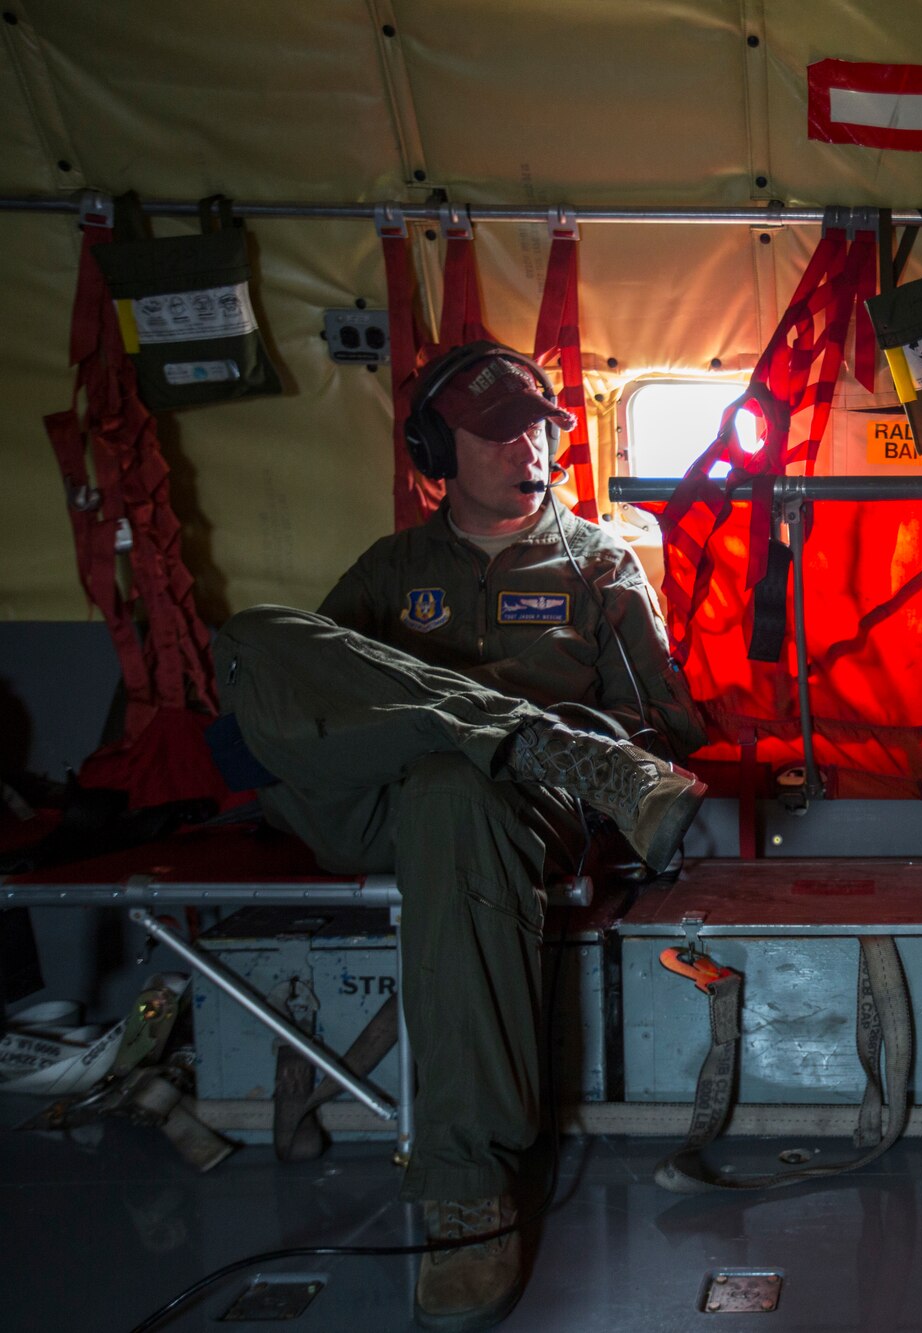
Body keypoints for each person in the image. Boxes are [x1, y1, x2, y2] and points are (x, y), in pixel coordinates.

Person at [209, 341, 707, 1331]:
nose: (529, 447)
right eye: (497, 432)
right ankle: (520, 739)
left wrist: (587, 752)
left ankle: (464, 1190)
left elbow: (671, 730)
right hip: (376, 802)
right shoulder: (389, 570)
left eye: (537, 426)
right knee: (253, 638)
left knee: (452, 791)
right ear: (438, 449)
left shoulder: (598, 560)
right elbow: (295, 696)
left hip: (519, 820)